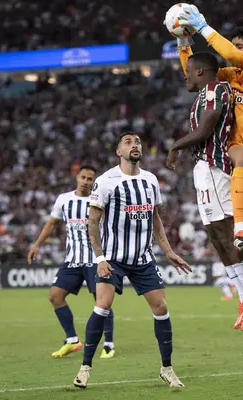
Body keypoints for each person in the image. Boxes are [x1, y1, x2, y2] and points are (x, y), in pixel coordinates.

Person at [176, 8, 243, 320]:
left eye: (239, 48)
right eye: (233, 47)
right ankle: (241, 226)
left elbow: (225, 52)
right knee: (242, 158)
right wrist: (183, 43)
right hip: (238, 150)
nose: (233, 53)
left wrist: (202, 27)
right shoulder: (230, 77)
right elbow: (195, 71)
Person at [73, 132, 191, 389]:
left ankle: (167, 368)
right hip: (112, 258)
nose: (134, 145)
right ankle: (85, 368)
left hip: (143, 258)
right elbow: (92, 222)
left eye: (137, 141)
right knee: (102, 305)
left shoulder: (150, 181)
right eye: (128, 142)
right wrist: (100, 257)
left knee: (161, 308)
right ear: (119, 152)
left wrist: (168, 250)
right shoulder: (106, 181)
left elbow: (155, 218)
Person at [166, 52, 243, 331]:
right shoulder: (204, 93)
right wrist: (182, 41)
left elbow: (208, 127)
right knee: (215, 236)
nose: (184, 75)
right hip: (203, 170)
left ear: (200, 72)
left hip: (216, 168)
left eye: (187, 70)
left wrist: (176, 146)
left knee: (225, 232)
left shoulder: (215, 89)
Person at [28, 165, 116, 359]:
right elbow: (51, 224)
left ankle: (108, 344)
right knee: (55, 296)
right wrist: (37, 245)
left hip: (95, 260)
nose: (86, 182)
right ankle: (72, 340)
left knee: (102, 302)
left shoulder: (100, 200)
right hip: (72, 261)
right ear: (77, 177)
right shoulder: (64, 199)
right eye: (83, 177)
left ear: (94, 182)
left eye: (90, 179)